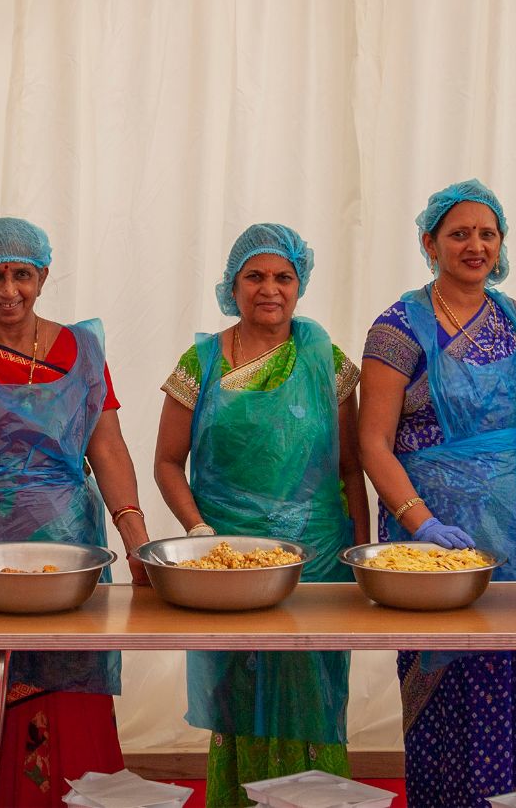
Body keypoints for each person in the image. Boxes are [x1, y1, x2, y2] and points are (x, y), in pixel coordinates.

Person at [0, 216, 152, 808]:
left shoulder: (84, 350)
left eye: (22, 274)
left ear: (43, 275)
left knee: (67, 699)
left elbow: (108, 447)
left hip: (69, 558)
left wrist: (137, 539)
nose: (8, 290)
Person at [359, 180, 516, 807]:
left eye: (487, 233)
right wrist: (419, 522)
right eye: (459, 233)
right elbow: (372, 442)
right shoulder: (397, 327)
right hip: (434, 528)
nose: (475, 245)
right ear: (429, 242)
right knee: (448, 681)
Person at [152, 224, 368, 807]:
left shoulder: (326, 358)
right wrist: (199, 535)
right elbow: (168, 463)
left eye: (283, 277)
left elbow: (353, 468)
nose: (269, 289)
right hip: (228, 565)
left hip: (317, 563)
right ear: (233, 284)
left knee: (314, 699)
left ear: (300, 285)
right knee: (240, 698)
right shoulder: (200, 363)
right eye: (255, 276)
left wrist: (360, 558)